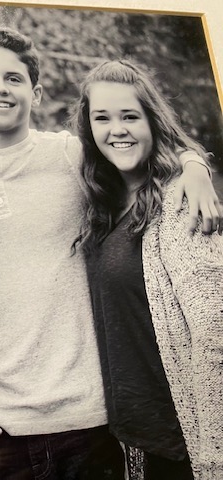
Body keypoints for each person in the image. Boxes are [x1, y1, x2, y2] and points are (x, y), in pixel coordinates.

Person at [0, 27, 220, 480]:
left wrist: (194, 164)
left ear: (36, 92)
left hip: (93, 420)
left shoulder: (72, 157)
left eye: (14, 78)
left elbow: (143, 143)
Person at [70, 59, 223, 480]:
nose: (116, 129)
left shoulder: (179, 202)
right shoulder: (101, 203)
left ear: (152, 122)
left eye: (130, 116)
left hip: (186, 444)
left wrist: (213, 452)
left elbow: (214, 326)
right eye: (102, 118)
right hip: (134, 439)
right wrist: (195, 158)